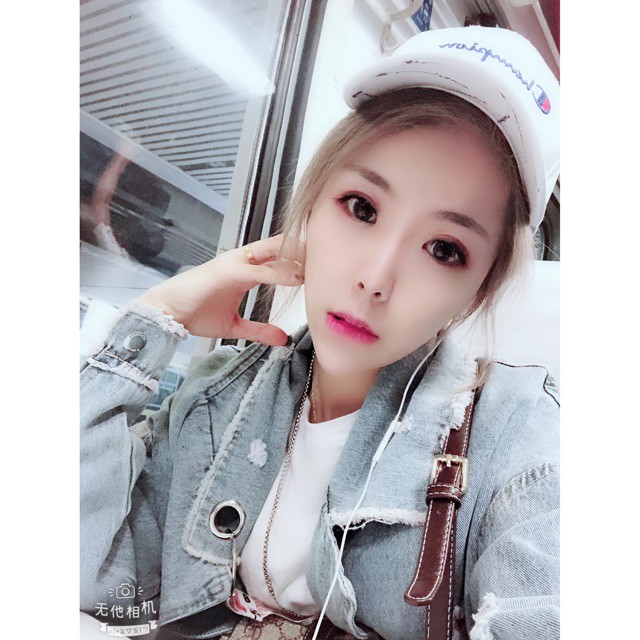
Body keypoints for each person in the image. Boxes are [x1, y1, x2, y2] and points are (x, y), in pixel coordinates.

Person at [80, 25, 559, 640]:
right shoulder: (219, 397)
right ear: (311, 204)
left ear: (478, 290)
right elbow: (91, 579)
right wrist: (157, 316)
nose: (375, 279)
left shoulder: (519, 438)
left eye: (444, 248)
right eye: (362, 208)